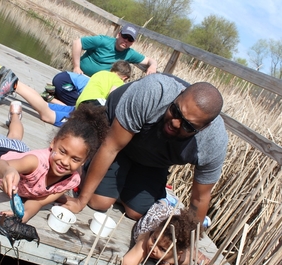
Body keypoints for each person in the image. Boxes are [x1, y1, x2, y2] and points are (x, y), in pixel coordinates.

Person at [63, 73, 228, 224]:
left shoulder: (214, 142)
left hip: (153, 160)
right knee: (98, 202)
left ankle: (123, 183)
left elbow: (200, 197)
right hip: (118, 140)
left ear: (204, 127)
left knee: (136, 213)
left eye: (187, 125)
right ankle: (91, 167)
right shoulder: (154, 91)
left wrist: (185, 242)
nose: (175, 123)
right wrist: (80, 201)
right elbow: (111, 147)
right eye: (175, 111)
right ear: (179, 94)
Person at [0, 83, 109, 224]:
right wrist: (8, 171)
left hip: (18, 152)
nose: (65, 161)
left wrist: (23, 216)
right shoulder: (34, 162)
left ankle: (15, 114)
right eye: (62, 151)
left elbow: (39, 201)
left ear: (84, 161)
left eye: (75, 159)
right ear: (53, 143)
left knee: (15, 138)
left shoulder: (71, 181)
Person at [0, 61, 132, 127]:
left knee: (46, 106)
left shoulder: (102, 73)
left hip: (81, 104)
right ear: (125, 77)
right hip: (92, 108)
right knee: (47, 115)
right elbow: (114, 95)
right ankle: (14, 84)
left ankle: (8, 80)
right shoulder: (119, 82)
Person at [72, 24, 158, 77]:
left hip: (98, 84)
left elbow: (150, 60)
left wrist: (153, 66)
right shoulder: (103, 41)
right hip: (81, 75)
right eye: (125, 36)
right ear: (119, 35)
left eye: (130, 39)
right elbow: (77, 43)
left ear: (133, 42)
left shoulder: (129, 53)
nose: (126, 40)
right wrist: (76, 67)